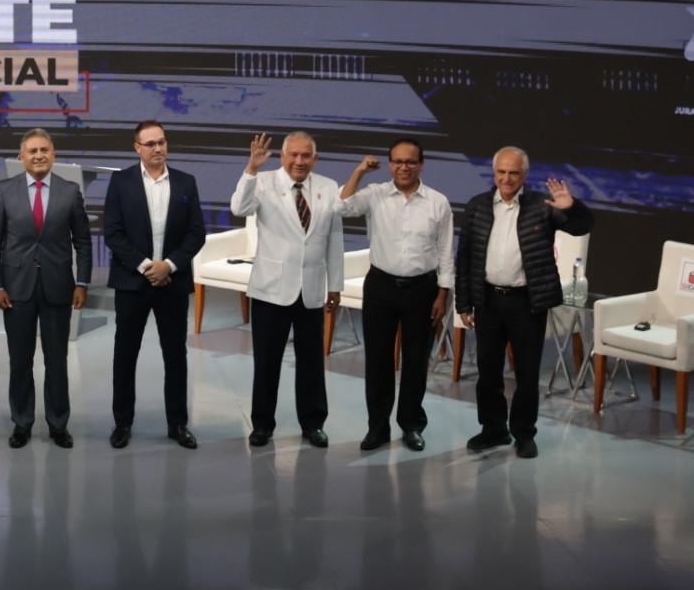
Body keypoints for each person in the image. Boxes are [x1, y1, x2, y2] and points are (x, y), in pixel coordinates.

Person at [455, 146, 594, 459]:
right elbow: (464, 257)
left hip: (526, 303)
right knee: (488, 371)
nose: (506, 178)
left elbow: (583, 226)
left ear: (524, 176)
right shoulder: (478, 206)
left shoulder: (541, 206)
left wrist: (571, 207)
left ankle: (523, 433)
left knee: (527, 374)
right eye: (501, 172)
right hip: (488, 300)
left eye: (513, 173)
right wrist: (463, 302)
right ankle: (493, 429)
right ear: (494, 173)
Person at [338, 139, 454, 452]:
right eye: (398, 162)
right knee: (377, 360)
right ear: (390, 165)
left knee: (416, 361)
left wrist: (443, 295)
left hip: (423, 289)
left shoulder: (437, 202)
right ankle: (377, 428)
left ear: (421, 165)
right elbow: (342, 206)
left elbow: (445, 252)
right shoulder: (375, 195)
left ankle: (412, 426)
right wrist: (360, 171)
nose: (404, 167)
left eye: (411, 162)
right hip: (381, 286)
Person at [231, 131, 344, 449]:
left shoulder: (328, 187)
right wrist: (251, 169)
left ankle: (313, 423)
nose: (299, 161)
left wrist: (334, 284)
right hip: (271, 289)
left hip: (310, 289)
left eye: (306, 155)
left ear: (315, 158)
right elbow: (239, 207)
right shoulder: (263, 182)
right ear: (282, 157)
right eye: (293, 155)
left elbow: (334, 238)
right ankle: (262, 425)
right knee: (267, 362)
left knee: (311, 362)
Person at [101, 119, 207, 450]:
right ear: (137, 148)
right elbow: (113, 233)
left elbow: (196, 233)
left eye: (162, 142)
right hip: (133, 283)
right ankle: (122, 423)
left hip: (172, 284)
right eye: (151, 144)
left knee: (175, 355)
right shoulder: (121, 182)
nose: (158, 148)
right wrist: (148, 267)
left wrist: (170, 266)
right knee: (125, 354)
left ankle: (178, 424)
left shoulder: (187, 182)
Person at [0, 129, 92, 449]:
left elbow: (83, 242)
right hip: (15, 290)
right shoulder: (4, 191)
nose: (38, 155)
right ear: (21, 157)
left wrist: (82, 282)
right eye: (32, 151)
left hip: (58, 288)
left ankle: (58, 424)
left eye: (44, 150)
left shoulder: (70, 191)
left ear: (54, 153)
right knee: (20, 361)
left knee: (57, 360)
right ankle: (22, 422)